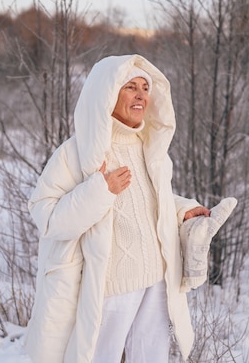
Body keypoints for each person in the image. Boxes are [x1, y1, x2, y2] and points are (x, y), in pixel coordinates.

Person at [22, 54, 235, 362]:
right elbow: (46, 216)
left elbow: (149, 202)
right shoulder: (74, 152)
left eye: (145, 88)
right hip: (110, 287)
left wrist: (181, 211)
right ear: (108, 93)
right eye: (130, 87)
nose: (140, 95)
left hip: (156, 280)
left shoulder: (152, 148)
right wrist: (100, 191)